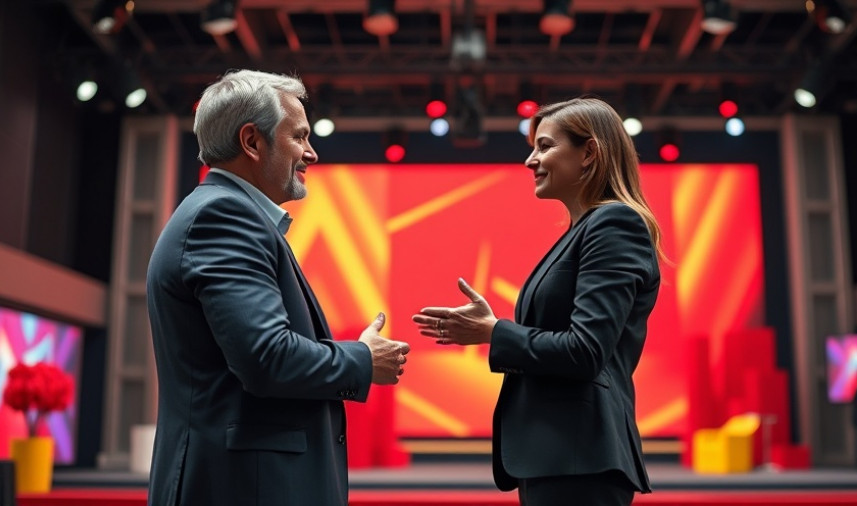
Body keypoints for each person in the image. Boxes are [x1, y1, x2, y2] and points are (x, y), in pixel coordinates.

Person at [146, 69, 410, 506]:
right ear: (252, 141)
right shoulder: (225, 218)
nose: (312, 152)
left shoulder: (224, 213)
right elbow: (266, 358)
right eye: (299, 137)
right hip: (244, 487)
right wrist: (362, 359)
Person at [413, 97, 662, 506]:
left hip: (580, 460)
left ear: (589, 154)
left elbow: (585, 351)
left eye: (544, 146)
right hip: (560, 458)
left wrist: (494, 332)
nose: (531, 160)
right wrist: (492, 329)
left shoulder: (614, 224)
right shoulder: (584, 230)